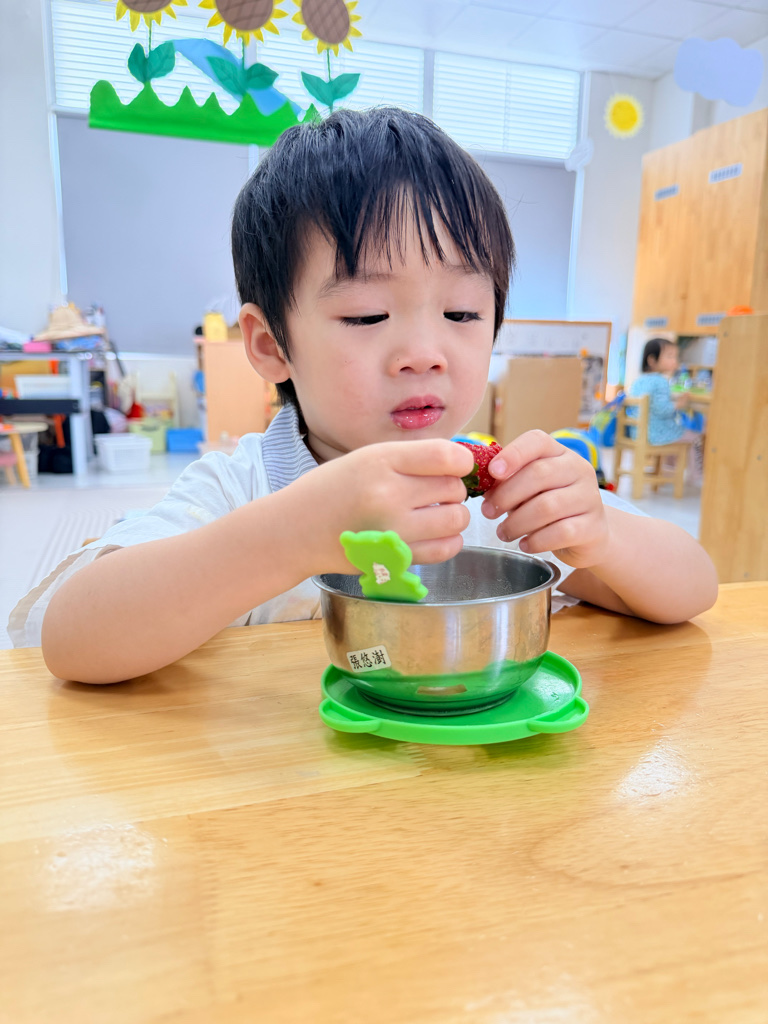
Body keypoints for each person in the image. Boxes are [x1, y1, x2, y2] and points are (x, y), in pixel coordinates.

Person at [11, 109, 718, 683]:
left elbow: (693, 590)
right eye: (367, 316)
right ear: (271, 344)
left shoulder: (491, 498)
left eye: (463, 313)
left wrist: (601, 534)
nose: (425, 352)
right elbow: (71, 640)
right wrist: (291, 534)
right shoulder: (241, 489)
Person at [629, 338, 700, 446]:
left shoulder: (638, 381)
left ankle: (667, 458)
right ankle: (687, 458)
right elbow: (662, 410)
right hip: (658, 434)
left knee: (680, 432)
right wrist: (679, 404)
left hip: (637, 433)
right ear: (652, 360)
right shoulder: (660, 381)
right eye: (670, 356)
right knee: (697, 439)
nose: (674, 361)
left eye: (676, 357)